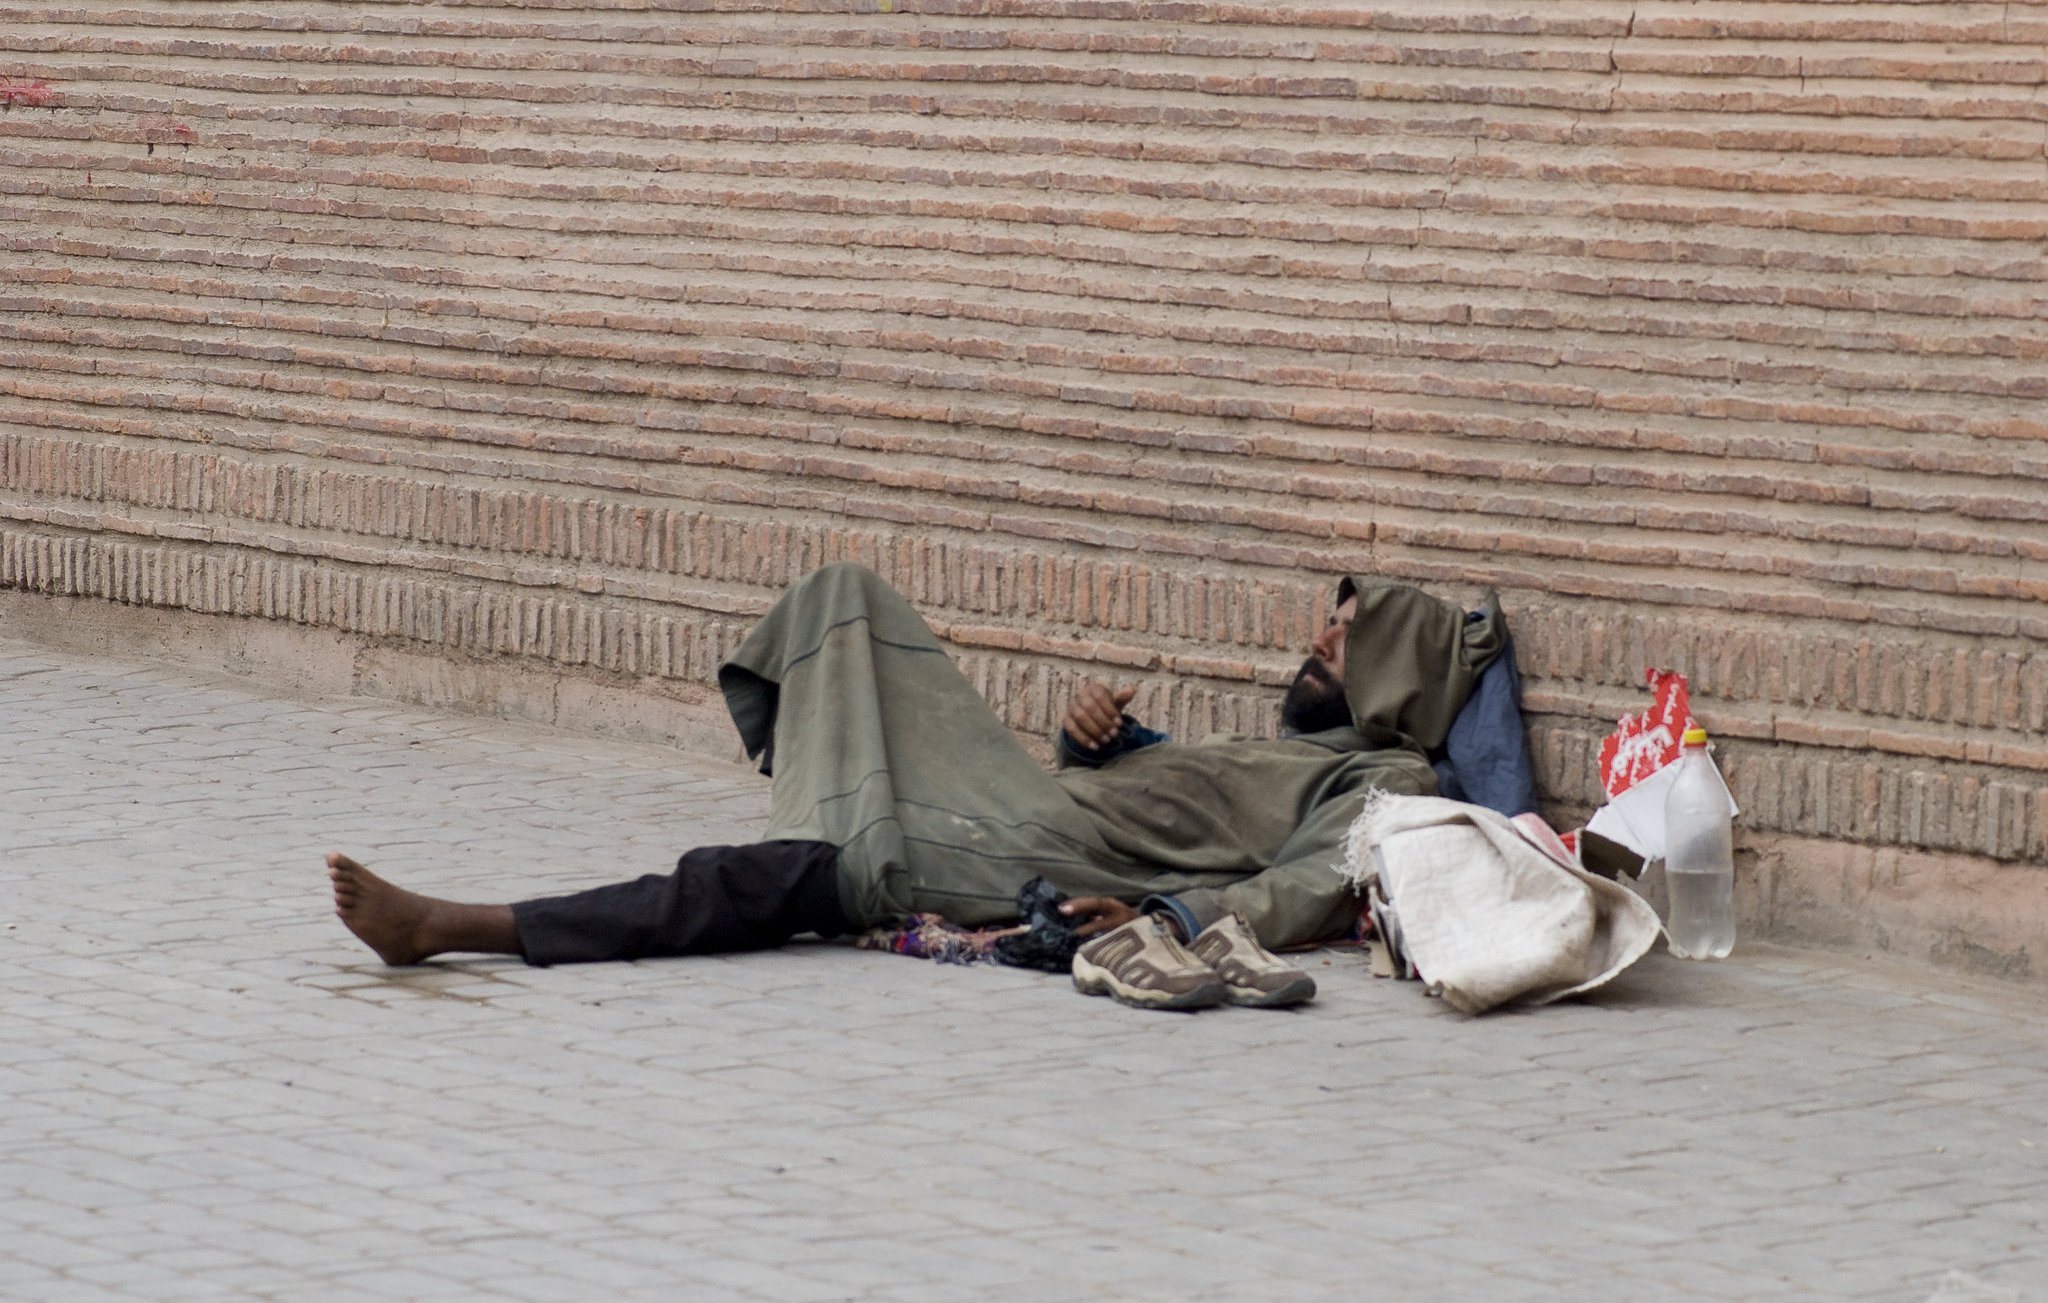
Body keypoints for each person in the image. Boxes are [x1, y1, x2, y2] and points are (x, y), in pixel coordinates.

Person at [329, 561, 1521, 1010]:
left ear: (1389, 682)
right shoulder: (1302, 750)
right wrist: (1093, 741)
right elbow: (1176, 806)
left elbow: (1308, 883)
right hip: (1030, 799)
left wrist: (1170, 918)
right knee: (840, 597)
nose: (1306, 654)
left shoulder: (1390, 784)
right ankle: (822, 816)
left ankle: (453, 926)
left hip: (1030, 855)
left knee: (799, 876)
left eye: (1332, 649)